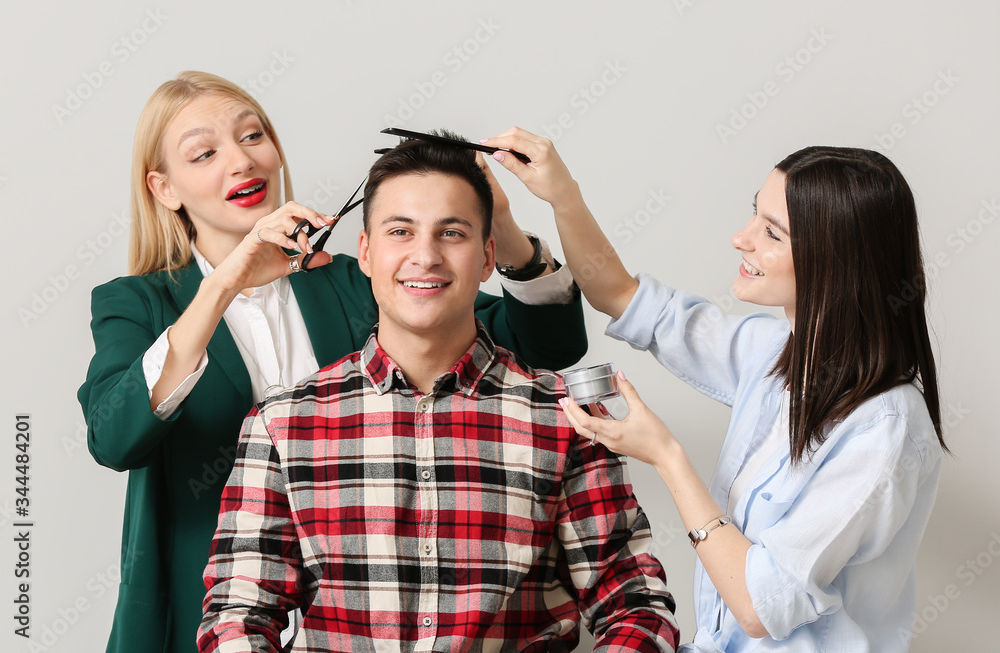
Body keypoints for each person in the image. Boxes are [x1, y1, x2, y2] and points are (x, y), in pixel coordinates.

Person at [77, 73, 588, 653]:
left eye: (253, 136)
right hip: (207, 622)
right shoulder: (135, 303)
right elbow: (112, 438)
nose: (242, 161)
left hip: (361, 622)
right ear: (164, 188)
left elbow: (547, 345)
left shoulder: (353, 279)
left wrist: (495, 218)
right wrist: (223, 287)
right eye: (204, 153)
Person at [197, 132, 680, 652]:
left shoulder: (566, 418)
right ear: (364, 252)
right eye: (400, 231)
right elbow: (239, 614)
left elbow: (634, 607)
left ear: (488, 255)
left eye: (451, 233)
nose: (424, 255)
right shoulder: (283, 423)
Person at [483, 128, 945, 652]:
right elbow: (619, 293)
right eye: (755, 214)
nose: (742, 238)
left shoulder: (885, 425)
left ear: (836, 258)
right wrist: (560, 194)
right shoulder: (773, 353)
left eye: (773, 233)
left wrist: (666, 456)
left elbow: (758, 606)